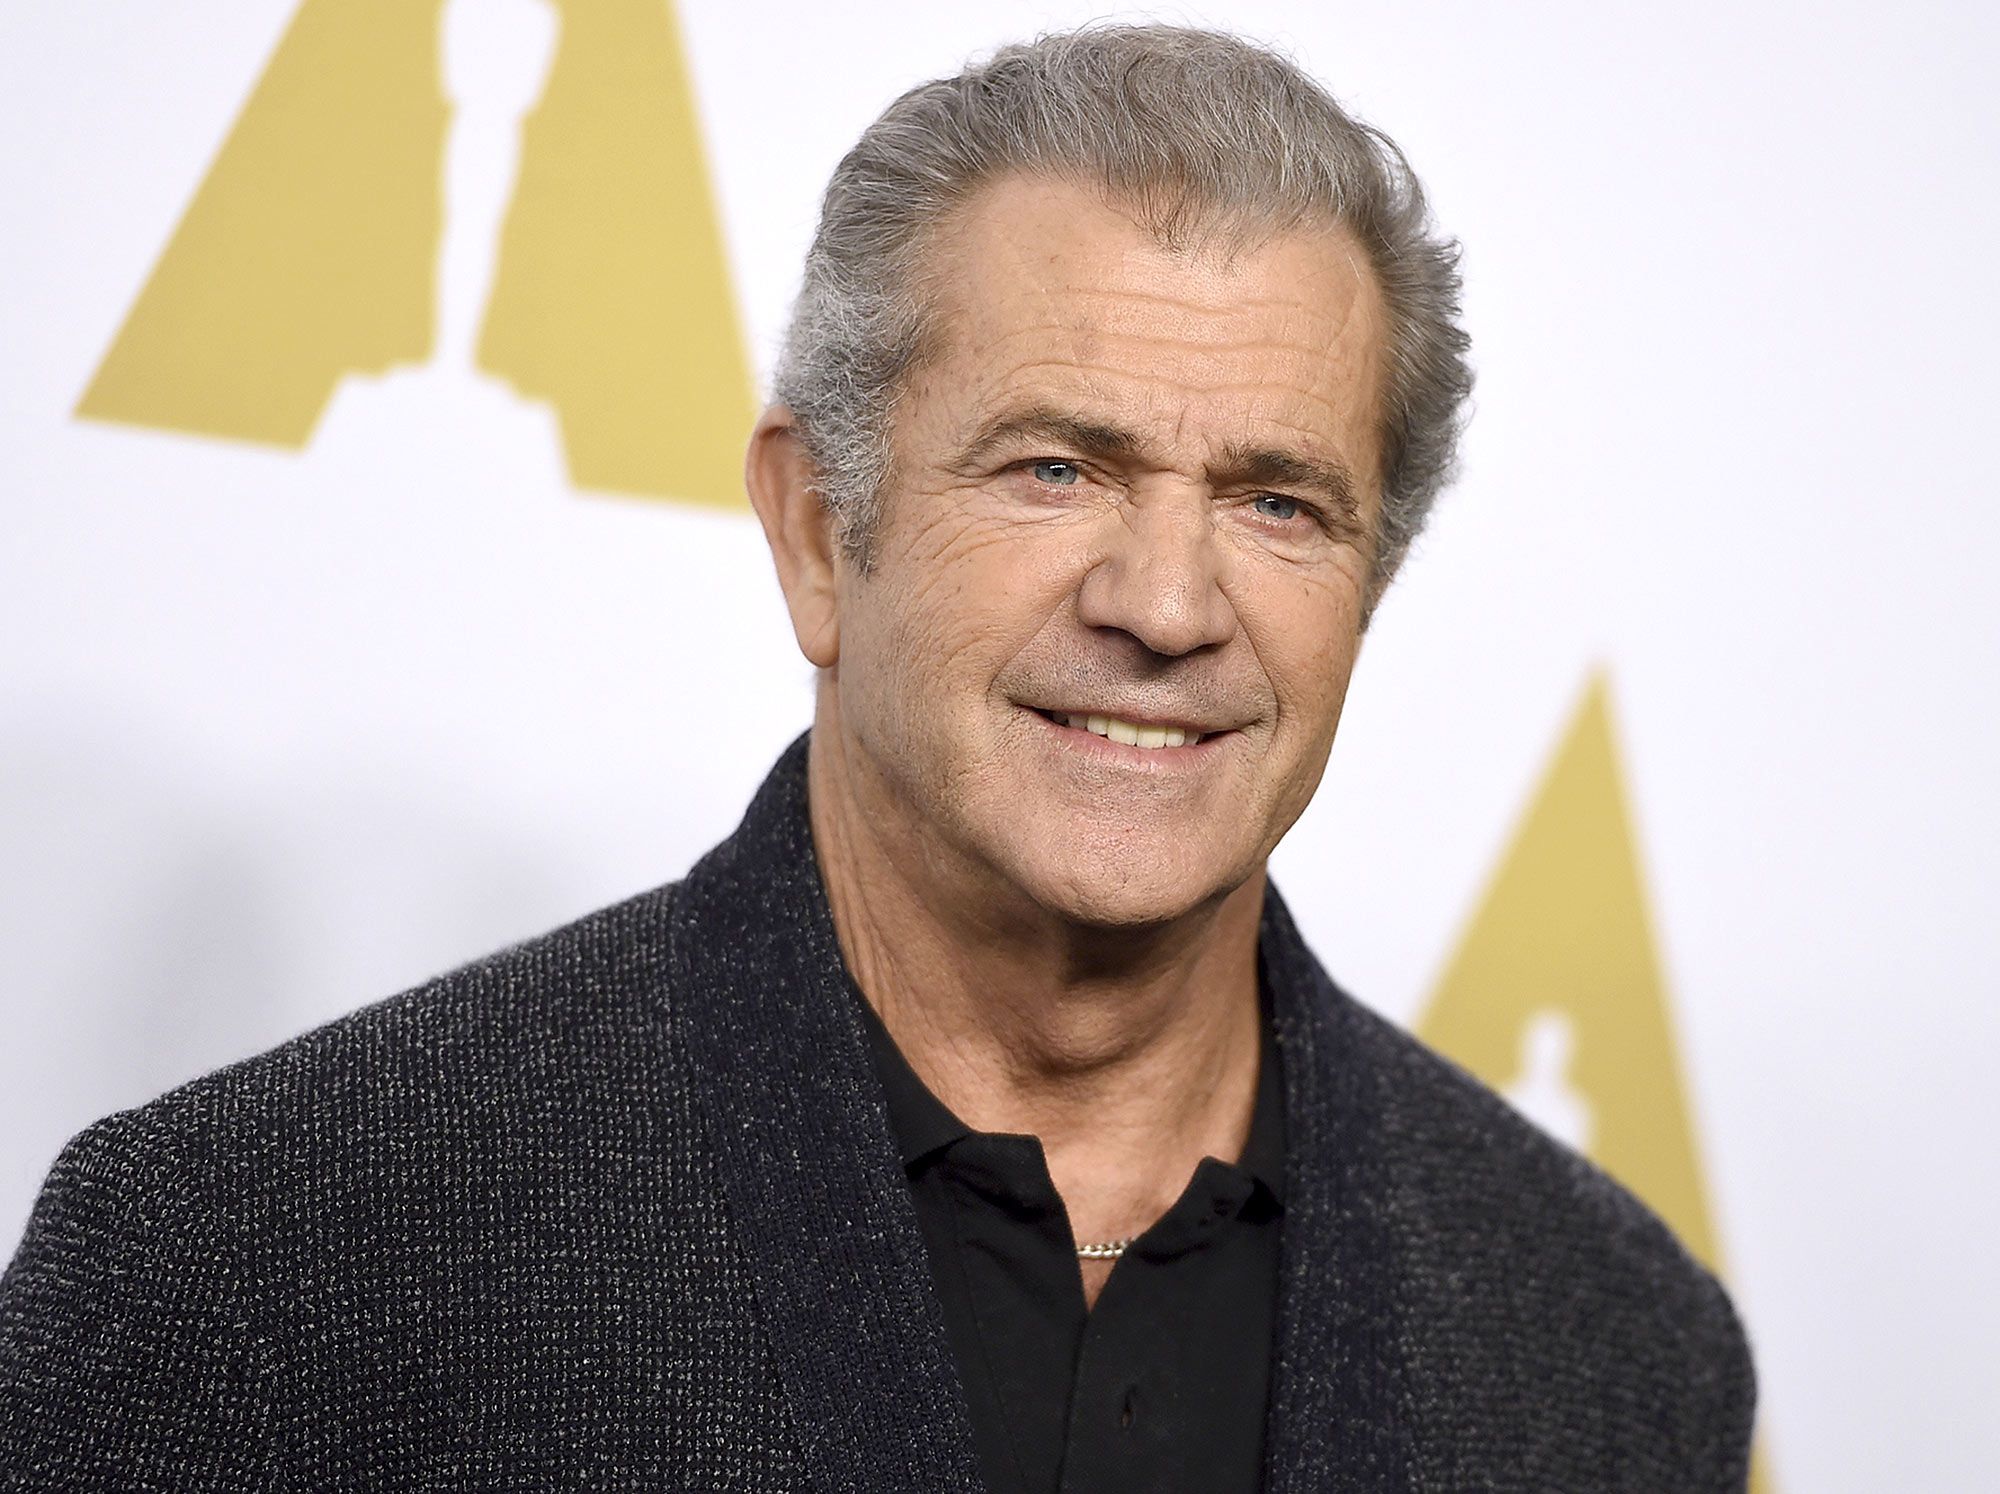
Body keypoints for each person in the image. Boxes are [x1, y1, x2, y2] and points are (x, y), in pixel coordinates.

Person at [0, 24, 1755, 1491]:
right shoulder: (250, 1262)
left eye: (1277, 502)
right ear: (818, 532)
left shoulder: (1610, 1353)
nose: (1166, 603)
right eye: (1056, 467)